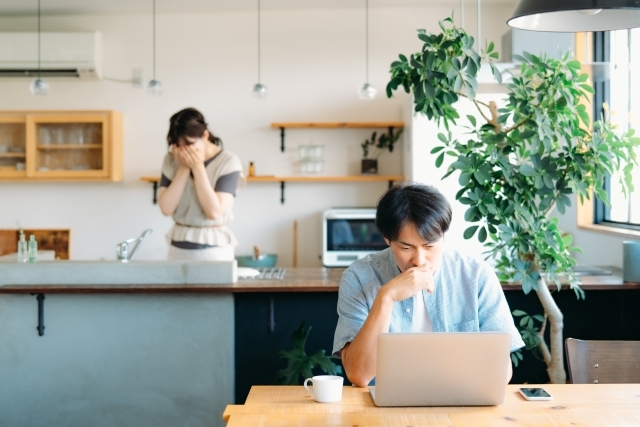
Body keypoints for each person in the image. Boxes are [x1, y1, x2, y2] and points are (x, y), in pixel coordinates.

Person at [332, 184, 525, 387]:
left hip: (462, 401)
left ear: (443, 236)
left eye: (429, 246)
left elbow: (501, 373)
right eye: (406, 247)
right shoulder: (359, 277)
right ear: (387, 239)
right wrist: (386, 297)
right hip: (384, 409)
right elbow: (359, 374)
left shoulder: (476, 275)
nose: (419, 260)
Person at [157, 108, 245, 261]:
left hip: (214, 250)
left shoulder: (228, 161)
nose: (183, 151)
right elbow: (166, 208)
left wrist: (197, 167)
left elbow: (214, 212)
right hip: (178, 246)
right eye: (178, 146)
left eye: (189, 144)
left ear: (205, 135)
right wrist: (184, 167)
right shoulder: (172, 159)